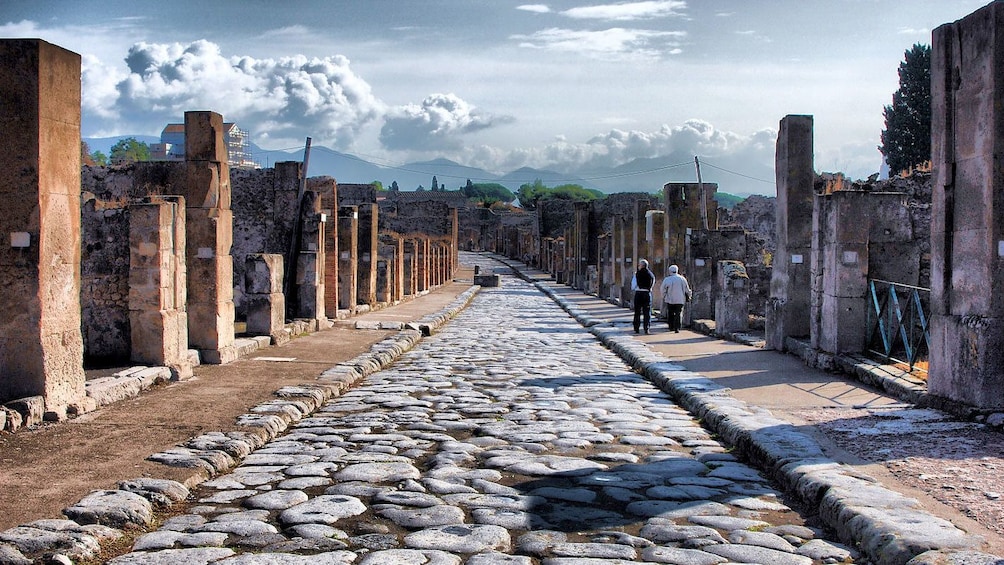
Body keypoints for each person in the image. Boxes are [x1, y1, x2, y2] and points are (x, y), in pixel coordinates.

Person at [660, 264, 692, 333]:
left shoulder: (667, 279)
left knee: (670, 313)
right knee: (678, 313)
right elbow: (687, 289)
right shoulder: (682, 279)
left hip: (670, 299)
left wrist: (664, 296)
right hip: (680, 299)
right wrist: (689, 295)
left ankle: (671, 326)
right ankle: (677, 327)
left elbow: (663, 289)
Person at [630, 259, 656, 334]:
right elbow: (652, 284)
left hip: (639, 293)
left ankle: (636, 328)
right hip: (647, 294)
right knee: (647, 312)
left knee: (637, 312)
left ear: (641, 266)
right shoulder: (651, 275)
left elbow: (633, 286)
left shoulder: (637, 274)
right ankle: (646, 328)